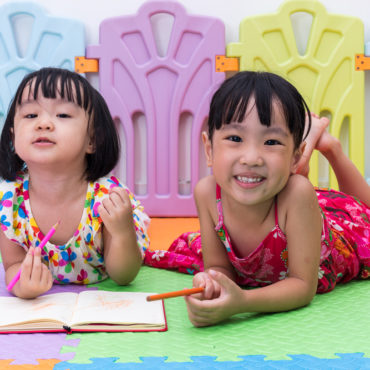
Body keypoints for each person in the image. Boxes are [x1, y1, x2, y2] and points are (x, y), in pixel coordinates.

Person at [181, 71, 370, 327]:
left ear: (294, 155)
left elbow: (303, 286)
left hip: (335, 233)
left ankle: (330, 148)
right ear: (209, 149)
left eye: (271, 141)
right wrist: (212, 284)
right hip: (285, 195)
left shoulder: (299, 194)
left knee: (358, 210)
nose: (251, 157)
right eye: (235, 138)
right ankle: (303, 143)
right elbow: (218, 267)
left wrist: (242, 302)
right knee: (280, 177)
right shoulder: (206, 193)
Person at [0, 68, 150, 299]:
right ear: (13, 138)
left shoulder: (107, 198)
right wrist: (23, 286)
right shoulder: (9, 200)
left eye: (62, 115)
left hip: (102, 301)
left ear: (92, 139)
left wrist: (122, 232)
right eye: (31, 116)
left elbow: (124, 275)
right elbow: (13, 265)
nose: (44, 124)